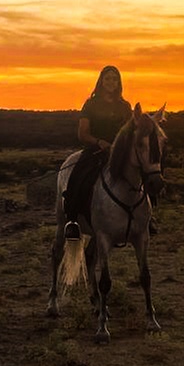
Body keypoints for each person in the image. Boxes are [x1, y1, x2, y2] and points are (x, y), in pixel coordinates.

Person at [62, 65, 132, 240]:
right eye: (107, 78)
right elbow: (82, 133)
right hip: (95, 150)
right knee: (78, 177)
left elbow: (131, 131)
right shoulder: (91, 104)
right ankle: (72, 221)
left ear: (119, 83)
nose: (111, 82)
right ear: (101, 81)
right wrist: (99, 142)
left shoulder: (125, 106)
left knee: (142, 173)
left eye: (114, 79)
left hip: (119, 152)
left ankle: (147, 218)